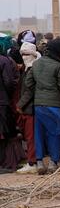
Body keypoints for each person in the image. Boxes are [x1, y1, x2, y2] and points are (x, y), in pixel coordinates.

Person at [24, 37, 60, 175]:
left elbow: (28, 83)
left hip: (38, 105)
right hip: (54, 104)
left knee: (39, 133)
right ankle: (53, 163)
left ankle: (39, 162)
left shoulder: (36, 64)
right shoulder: (58, 65)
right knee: (55, 133)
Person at [15, 42, 40, 174]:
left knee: (31, 137)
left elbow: (30, 90)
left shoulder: (33, 69)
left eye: (27, 54)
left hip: (30, 108)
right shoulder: (27, 68)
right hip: (28, 108)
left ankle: (32, 162)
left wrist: (20, 104)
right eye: (22, 54)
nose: (24, 57)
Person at [0, 35, 21, 172]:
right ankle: (4, 164)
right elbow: (9, 82)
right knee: (3, 133)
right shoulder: (3, 60)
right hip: (2, 102)